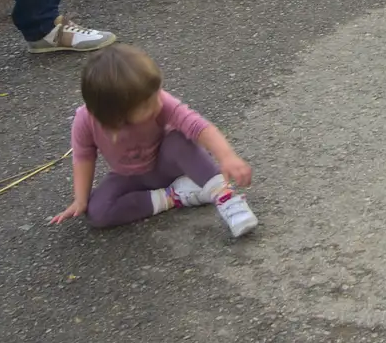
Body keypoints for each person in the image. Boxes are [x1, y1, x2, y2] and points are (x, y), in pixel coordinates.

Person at [52, 45, 258, 238]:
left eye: (157, 93)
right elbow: (83, 157)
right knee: (97, 212)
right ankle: (174, 196)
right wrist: (80, 198)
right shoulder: (85, 121)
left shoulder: (159, 102)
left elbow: (198, 126)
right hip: (128, 176)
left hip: (166, 164)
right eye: (147, 104)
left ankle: (224, 196)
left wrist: (227, 157)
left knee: (178, 141)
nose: (158, 103)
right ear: (117, 117)